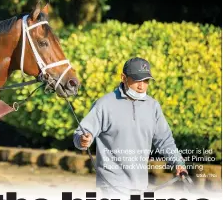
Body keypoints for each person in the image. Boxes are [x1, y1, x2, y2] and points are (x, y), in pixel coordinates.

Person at [73, 57, 188, 196]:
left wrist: (178, 163)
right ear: (124, 78)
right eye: (137, 80)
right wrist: (83, 140)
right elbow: (82, 133)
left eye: (146, 81)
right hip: (112, 185)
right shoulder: (105, 104)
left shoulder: (153, 106)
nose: (142, 86)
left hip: (140, 185)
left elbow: (165, 140)